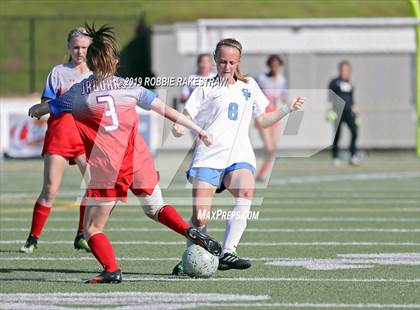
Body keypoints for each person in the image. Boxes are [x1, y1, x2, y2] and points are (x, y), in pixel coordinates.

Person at [28, 24, 221, 284]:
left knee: (92, 230)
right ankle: (190, 231)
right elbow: (167, 111)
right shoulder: (131, 87)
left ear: (91, 60)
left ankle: (111, 269)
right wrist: (199, 129)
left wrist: (37, 109)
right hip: (138, 161)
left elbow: (48, 107)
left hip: (108, 169)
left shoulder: (77, 94)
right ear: (115, 61)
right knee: (155, 209)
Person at [171, 38, 304, 274]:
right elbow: (186, 114)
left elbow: (263, 120)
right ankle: (188, 257)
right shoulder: (205, 87)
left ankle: (228, 252)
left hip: (238, 157)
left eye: (232, 62)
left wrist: (287, 109)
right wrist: (179, 127)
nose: (227, 66)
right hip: (208, 158)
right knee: (200, 217)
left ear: (239, 62)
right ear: (215, 61)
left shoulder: (249, 85)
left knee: (246, 192)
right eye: (222, 61)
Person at [20, 28, 92, 254]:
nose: (79, 51)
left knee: (94, 187)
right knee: (50, 189)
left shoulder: (96, 73)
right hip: (61, 134)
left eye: (84, 47)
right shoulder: (59, 72)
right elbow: (45, 104)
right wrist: (68, 101)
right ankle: (33, 238)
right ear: (69, 48)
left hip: (85, 136)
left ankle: (82, 234)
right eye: (76, 47)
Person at [255, 54, 288, 182]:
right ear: (269, 65)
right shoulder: (261, 79)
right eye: (272, 64)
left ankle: (261, 174)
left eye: (277, 65)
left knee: (273, 148)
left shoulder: (281, 80)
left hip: (275, 114)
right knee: (268, 147)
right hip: (262, 114)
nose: (275, 67)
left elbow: (284, 96)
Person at [327, 60, 359, 166]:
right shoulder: (334, 82)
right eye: (343, 69)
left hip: (349, 112)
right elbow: (330, 98)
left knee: (354, 132)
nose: (345, 71)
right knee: (337, 134)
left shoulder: (350, 84)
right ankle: (335, 156)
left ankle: (353, 156)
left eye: (347, 70)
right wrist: (329, 111)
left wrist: (356, 111)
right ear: (340, 70)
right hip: (338, 112)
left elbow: (351, 99)